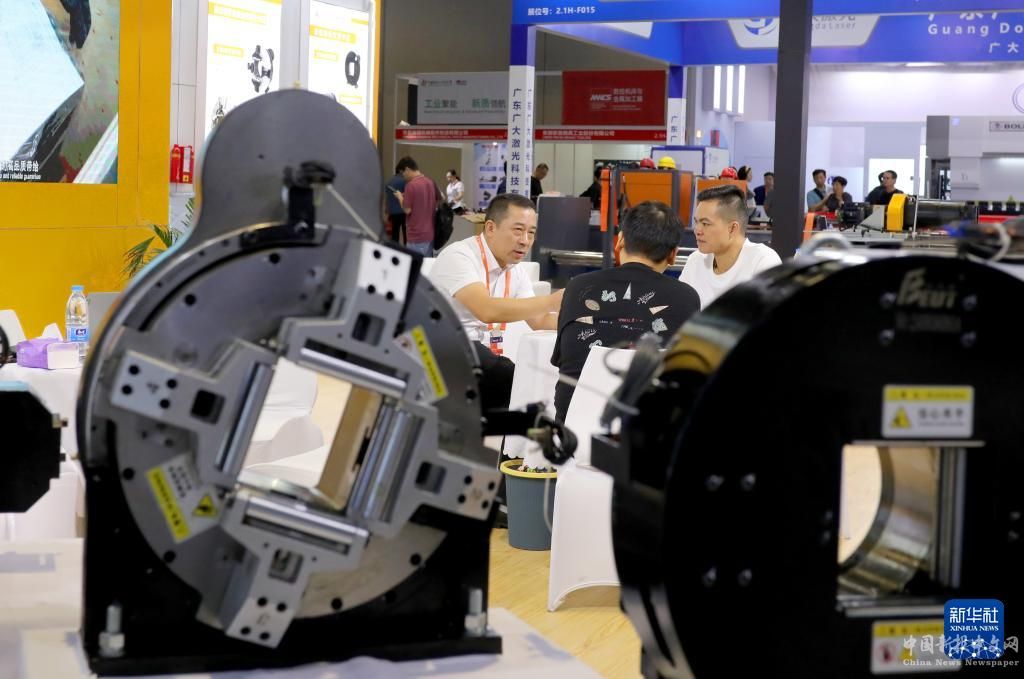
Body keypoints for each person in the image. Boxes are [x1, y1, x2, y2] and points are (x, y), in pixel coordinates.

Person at [551, 201, 700, 422]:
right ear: (672, 255)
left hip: (571, 428)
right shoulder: (687, 298)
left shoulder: (577, 287)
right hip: (646, 431)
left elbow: (564, 360)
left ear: (620, 241)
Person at [430, 194, 564, 411]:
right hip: (442, 349)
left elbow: (540, 320)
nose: (525, 241)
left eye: (531, 232)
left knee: (535, 379)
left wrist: (582, 319)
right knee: (511, 379)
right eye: (518, 230)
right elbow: (486, 310)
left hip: (477, 353)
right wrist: (550, 301)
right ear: (491, 228)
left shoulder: (515, 270)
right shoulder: (459, 256)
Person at [681, 185, 782, 309]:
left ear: (733, 228)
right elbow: (681, 310)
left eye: (705, 224)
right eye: (696, 222)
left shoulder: (762, 261)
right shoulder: (695, 260)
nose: (697, 230)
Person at [392, 156, 436, 257]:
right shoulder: (430, 182)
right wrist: (406, 196)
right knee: (426, 264)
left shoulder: (411, 185)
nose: (403, 176)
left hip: (416, 236)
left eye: (403, 173)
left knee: (414, 266)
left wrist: (400, 197)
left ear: (407, 169)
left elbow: (407, 210)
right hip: (429, 234)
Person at [384, 165, 406, 244]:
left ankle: (394, 247)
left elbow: (387, 197)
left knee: (394, 233)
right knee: (405, 233)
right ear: (400, 171)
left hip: (393, 212)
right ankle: (406, 248)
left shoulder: (389, 182)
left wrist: (387, 208)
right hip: (403, 211)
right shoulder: (404, 181)